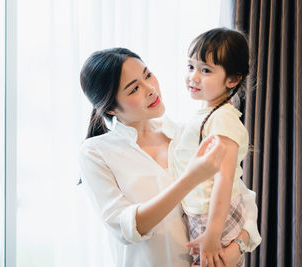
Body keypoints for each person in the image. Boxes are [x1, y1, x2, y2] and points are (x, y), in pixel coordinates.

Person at [78, 47, 261, 267]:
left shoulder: (191, 134)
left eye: (147, 75)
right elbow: (126, 228)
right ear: (111, 109)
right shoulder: (96, 152)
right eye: (134, 88)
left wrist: (236, 248)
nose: (151, 89)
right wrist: (190, 179)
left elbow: (242, 199)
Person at [171, 28, 261, 267]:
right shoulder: (209, 113)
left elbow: (224, 179)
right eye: (190, 67)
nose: (194, 76)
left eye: (206, 70)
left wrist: (212, 233)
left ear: (232, 80)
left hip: (214, 217)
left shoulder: (222, 119)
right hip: (205, 215)